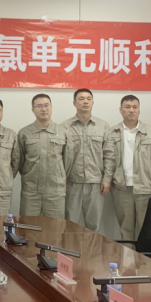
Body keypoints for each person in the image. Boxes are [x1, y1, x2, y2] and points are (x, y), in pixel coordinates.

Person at [102, 95, 151, 241]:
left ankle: (145, 257)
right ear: (121, 110)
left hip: (146, 188)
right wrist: (106, 179)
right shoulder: (112, 132)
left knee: (147, 229)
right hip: (121, 188)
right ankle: (128, 256)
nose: (131, 110)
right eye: (127, 107)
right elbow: (109, 159)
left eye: (135, 107)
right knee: (125, 229)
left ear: (139, 110)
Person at [62, 89, 111, 232]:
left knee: (94, 226)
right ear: (74, 103)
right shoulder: (64, 127)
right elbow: (59, 156)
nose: (85, 102)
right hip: (71, 183)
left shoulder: (103, 126)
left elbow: (109, 155)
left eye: (89, 99)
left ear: (93, 102)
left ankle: (93, 248)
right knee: (71, 226)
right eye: (81, 98)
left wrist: (107, 179)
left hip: (95, 184)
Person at [18, 94, 73, 218]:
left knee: (55, 227)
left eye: (47, 105)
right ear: (33, 110)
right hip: (31, 192)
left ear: (51, 108)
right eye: (39, 106)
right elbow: (20, 163)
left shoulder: (63, 132)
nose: (44, 109)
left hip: (55, 192)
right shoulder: (24, 133)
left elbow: (68, 162)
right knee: (28, 226)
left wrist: (58, 176)